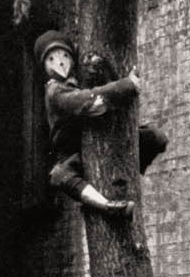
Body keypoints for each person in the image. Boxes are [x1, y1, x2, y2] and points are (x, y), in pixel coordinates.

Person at [34, 29, 167, 216]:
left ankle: (130, 168)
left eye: (64, 55)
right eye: (51, 59)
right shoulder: (55, 91)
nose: (60, 63)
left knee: (155, 138)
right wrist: (125, 86)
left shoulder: (78, 77)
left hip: (102, 136)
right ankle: (105, 205)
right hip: (72, 150)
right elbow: (86, 101)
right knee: (60, 176)